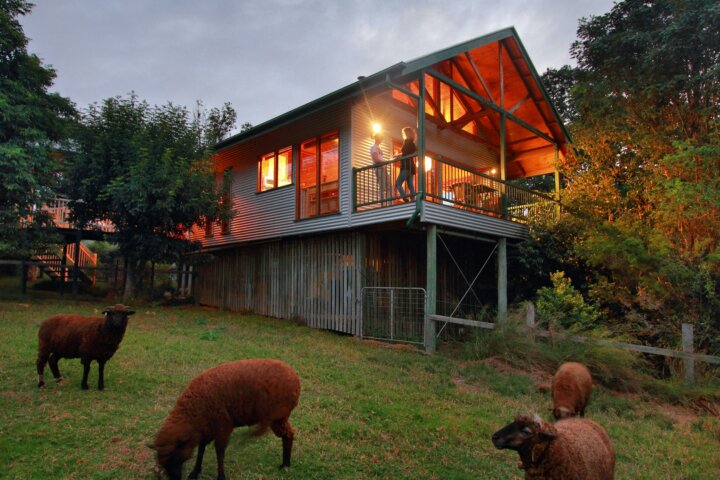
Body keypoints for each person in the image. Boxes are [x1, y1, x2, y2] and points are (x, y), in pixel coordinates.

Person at [395, 126, 417, 202]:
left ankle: (404, 197)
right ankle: (413, 199)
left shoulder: (407, 142)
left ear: (407, 133)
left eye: (404, 133)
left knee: (398, 183)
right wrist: (400, 155)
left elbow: (405, 153)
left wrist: (400, 156)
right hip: (411, 166)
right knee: (410, 185)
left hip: (405, 166)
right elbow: (407, 153)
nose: (403, 134)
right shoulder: (412, 143)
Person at [370, 132, 390, 205]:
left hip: (383, 168)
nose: (381, 139)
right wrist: (383, 162)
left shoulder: (378, 147)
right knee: (382, 187)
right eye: (380, 138)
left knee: (388, 185)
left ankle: (389, 203)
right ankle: (383, 204)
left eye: (381, 138)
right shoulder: (374, 147)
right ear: (376, 138)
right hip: (379, 168)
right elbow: (375, 159)